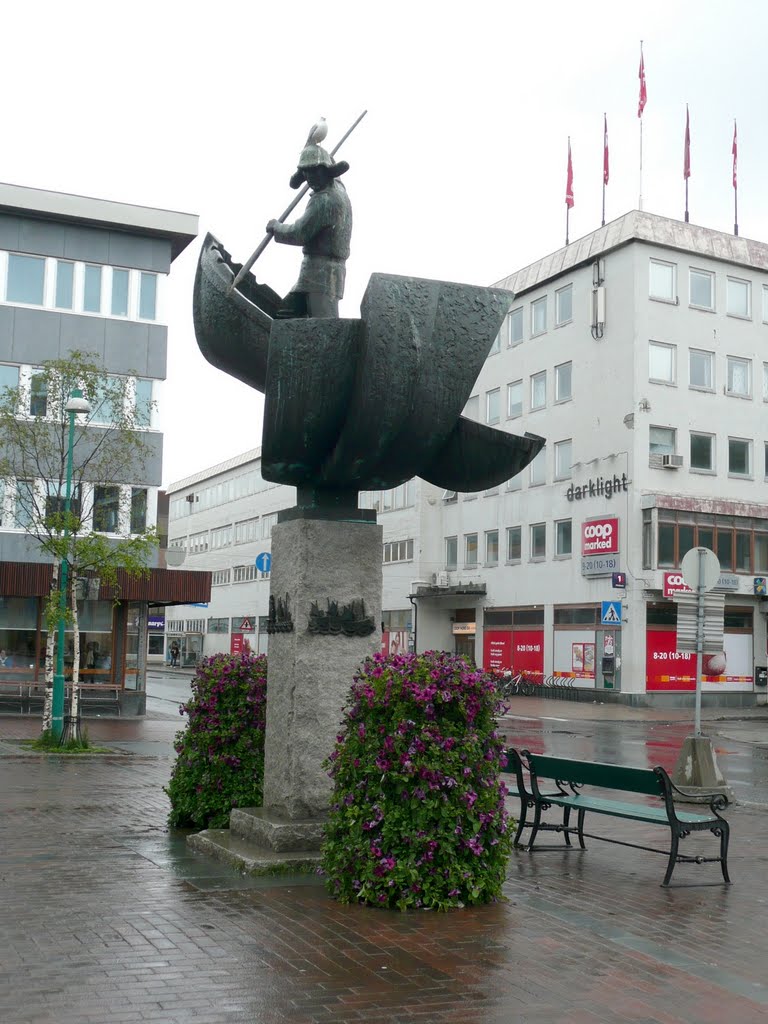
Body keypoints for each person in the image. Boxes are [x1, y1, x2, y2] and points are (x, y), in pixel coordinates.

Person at [265, 139, 352, 319]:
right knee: (284, 314)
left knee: (325, 327)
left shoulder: (325, 200)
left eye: (315, 171)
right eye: (307, 172)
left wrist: (276, 228)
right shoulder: (339, 187)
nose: (310, 178)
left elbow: (299, 234)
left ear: (326, 170)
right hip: (312, 274)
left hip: (323, 277)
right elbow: (334, 174)